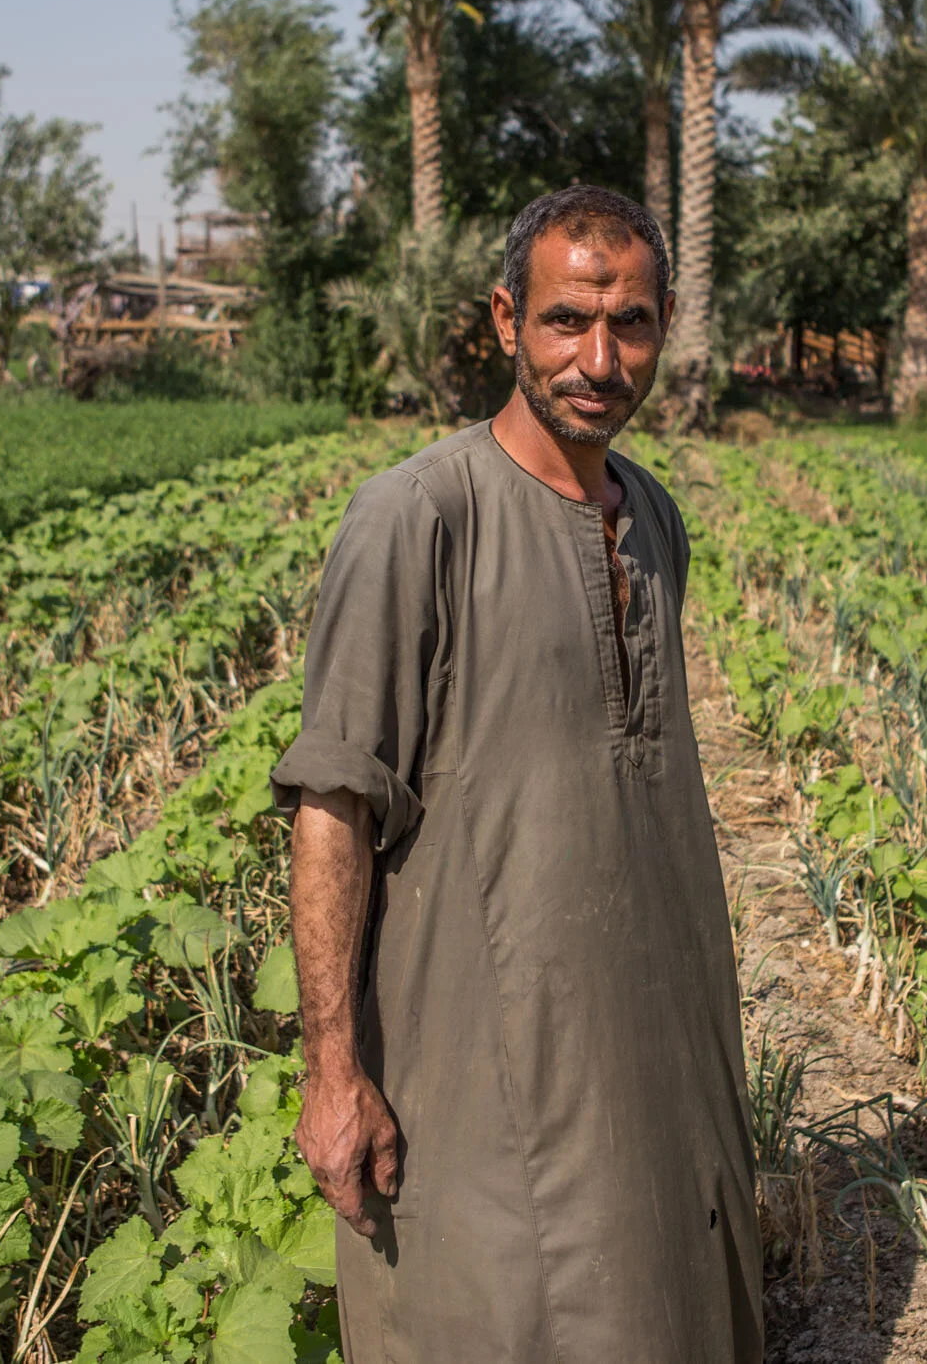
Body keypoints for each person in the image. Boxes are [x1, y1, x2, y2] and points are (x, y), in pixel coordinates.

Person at [273, 184, 761, 1360]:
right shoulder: (416, 519)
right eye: (565, 320)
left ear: (666, 323)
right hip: (478, 1063)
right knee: (492, 1303)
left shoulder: (652, 516)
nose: (599, 359)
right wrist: (333, 1071)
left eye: (630, 323)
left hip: (648, 1043)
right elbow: (333, 803)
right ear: (506, 319)